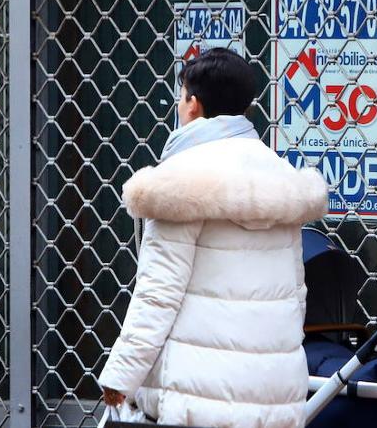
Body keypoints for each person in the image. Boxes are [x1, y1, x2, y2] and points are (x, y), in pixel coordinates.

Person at [98, 47, 328, 427]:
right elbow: (294, 294)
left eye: (181, 97)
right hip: (274, 395)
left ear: (193, 104)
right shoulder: (279, 174)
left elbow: (157, 295)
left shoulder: (180, 180)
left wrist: (121, 375)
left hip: (198, 395)